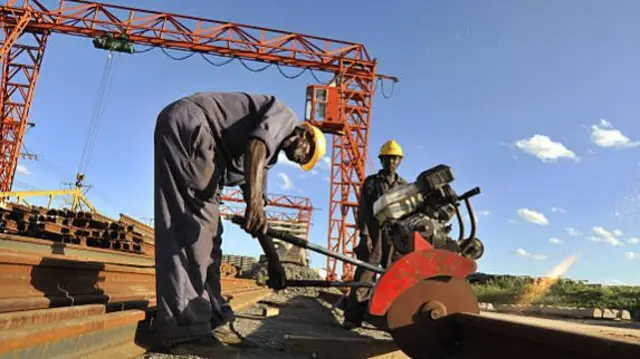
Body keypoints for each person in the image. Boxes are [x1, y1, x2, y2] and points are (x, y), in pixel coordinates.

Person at [152, 91, 326, 355]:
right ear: (306, 134)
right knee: (190, 229)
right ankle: (181, 331)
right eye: (305, 154)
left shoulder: (264, 160)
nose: (299, 160)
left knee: (211, 237)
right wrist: (254, 202)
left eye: (303, 162)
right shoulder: (285, 117)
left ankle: (211, 318)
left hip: (206, 147)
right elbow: (257, 144)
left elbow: (258, 215)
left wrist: (274, 260)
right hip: (192, 127)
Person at [342, 140, 407, 329]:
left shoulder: (404, 185)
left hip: (395, 235)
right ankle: (352, 318)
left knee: (395, 276)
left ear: (400, 161)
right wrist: (365, 235)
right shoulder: (371, 182)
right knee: (364, 274)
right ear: (381, 160)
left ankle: (391, 320)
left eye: (395, 158)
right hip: (374, 232)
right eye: (388, 158)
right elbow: (363, 211)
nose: (391, 162)